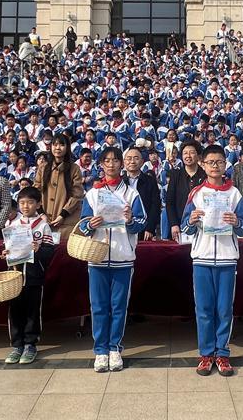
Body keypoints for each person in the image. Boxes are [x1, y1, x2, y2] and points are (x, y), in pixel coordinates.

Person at [182, 144, 243, 377]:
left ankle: (222, 353)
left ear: (225, 164)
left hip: (227, 258)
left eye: (219, 162)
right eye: (210, 162)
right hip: (201, 257)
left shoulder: (235, 194)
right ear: (202, 164)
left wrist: (237, 223)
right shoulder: (196, 193)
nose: (215, 166)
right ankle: (205, 354)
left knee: (224, 309)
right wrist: (191, 220)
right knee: (203, 309)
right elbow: (184, 228)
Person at [77, 147, 146, 372]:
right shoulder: (92, 193)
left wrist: (129, 220)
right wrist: (90, 224)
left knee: (118, 306)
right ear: (101, 165)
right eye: (107, 161)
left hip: (122, 256)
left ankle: (115, 348)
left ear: (121, 165)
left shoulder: (131, 194)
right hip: (96, 257)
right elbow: (83, 224)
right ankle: (100, 350)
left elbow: (141, 223)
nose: (112, 164)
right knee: (98, 306)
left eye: (116, 160)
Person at [0, 186, 55, 364]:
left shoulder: (43, 226)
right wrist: (5, 253)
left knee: (32, 310)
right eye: (22, 203)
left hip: (33, 275)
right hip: (15, 276)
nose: (25, 206)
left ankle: (30, 344)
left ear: (38, 204)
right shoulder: (12, 225)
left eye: (30, 202)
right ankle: (17, 345)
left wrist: (39, 250)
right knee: (15, 310)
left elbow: (50, 251)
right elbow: (7, 247)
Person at [34, 133, 84, 241]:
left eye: (62, 144)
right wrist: (41, 213)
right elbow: (35, 192)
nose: (57, 147)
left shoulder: (74, 168)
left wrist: (63, 215)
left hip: (66, 222)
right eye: (54, 144)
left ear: (67, 147)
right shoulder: (43, 168)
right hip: (44, 220)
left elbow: (77, 195)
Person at [166, 140, 206, 241]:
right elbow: (170, 202)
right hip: (180, 225)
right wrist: (174, 224)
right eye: (185, 153)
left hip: (202, 226)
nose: (188, 156)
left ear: (198, 156)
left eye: (192, 152)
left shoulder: (206, 176)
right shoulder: (175, 175)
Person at [122, 147, 162, 240]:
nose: (132, 161)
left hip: (144, 228)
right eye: (129, 158)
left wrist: (150, 228)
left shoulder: (150, 181)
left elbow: (155, 205)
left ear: (142, 161)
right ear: (124, 162)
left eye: (136, 158)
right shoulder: (120, 181)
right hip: (122, 228)